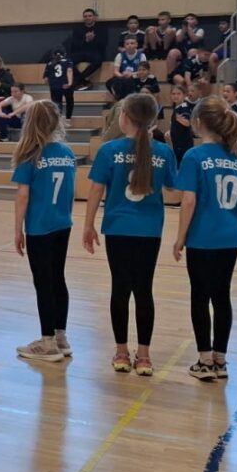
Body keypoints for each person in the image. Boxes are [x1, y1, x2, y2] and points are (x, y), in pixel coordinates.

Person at [84, 93, 178, 375]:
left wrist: (88, 225)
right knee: (144, 290)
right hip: (149, 231)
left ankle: (122, 352)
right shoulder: (163, 152)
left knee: (120, 289)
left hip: (118, 229)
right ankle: (145, 356)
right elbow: (173, 188)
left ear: (124, 118)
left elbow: (96, 190)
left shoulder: (109, 150)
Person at [172, 96, 237, 381]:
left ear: (198, 122)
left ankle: (204, 360)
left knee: (200, 295)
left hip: (203, 236)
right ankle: (220, 359)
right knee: (222, 295)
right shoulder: (236, 157)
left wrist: (180, 237)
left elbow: (189, 201)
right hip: (231, 234)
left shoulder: (194, 156)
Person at [10, 100, 77, 363]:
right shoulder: (67, 153)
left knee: (43, 283)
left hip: (39, 227)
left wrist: (18, 229)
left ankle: (47, 342)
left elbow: (22, 195)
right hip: (62, 224)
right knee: (58, 278)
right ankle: (61, 337)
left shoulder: (30, 155)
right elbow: (71, 190)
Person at [67, 8, 108, 88]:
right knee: (68, 61)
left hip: (95, 52)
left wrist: (93, 40)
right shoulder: (78, 29)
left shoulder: (101, 28)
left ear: (94, 17)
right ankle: (82, 80)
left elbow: (104, 43)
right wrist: (86, 40)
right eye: (85, 16)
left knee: (98, 60)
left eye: (89, 16)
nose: (87, 18)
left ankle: (78, 79)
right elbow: (75, 44)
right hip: (81, 52)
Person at [107, 36, 147, 101]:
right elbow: (116, 71)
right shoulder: (119, 55)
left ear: (136, 45)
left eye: (132, 43)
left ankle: (132, 100)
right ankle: (118, 99)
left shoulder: (142, 56)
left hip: (136, 77)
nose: (129, 45)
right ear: (124, 46)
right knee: (109, 83)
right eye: (127, 44)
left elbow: (144, 71)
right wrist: (122, 76)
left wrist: (131, 74)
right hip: (123, 78)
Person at [43, 48, 75, 120]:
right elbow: (69, 70)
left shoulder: (50, 63)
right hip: (65, 85)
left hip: (54, 86)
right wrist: (70, 83)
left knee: (56, 104)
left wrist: (51, 85)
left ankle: (58, 120)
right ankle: (68, 118)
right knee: (69, 102)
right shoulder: (68, 61)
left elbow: (46, 79)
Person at [168, 84, 195, 165]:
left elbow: (187, 123)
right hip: (177, 143)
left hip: (184, 143)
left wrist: (180, 120)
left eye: (178, 94)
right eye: (173, 94)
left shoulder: (184, 107)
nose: (176, 96)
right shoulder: (177, 108)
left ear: (184, 95)